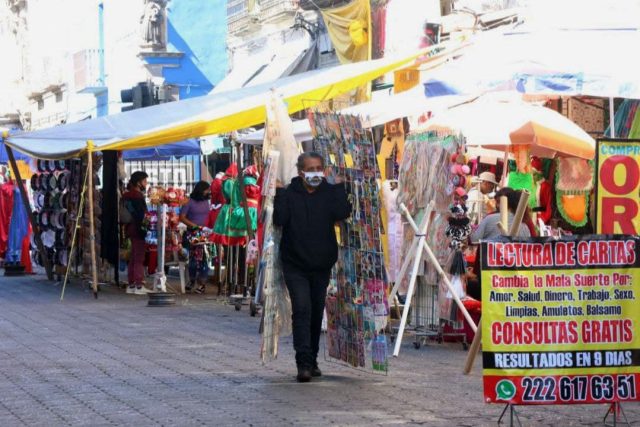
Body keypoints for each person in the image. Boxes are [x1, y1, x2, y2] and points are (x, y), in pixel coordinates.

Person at [273, 152, 351, 383]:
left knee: (317, 311)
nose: (316, 172)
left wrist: (338, 188)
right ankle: (303, 363)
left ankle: (313, 359)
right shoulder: (289, 193)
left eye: (319, 167)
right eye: (311, 168)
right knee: (302, 309)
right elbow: (279, 219)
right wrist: (278, 194)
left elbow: (342, 213)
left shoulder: (328, 192)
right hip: (295, 263)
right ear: (301, 172)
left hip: (321, 263)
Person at [180, 181, 212, 293]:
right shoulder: (189, 201)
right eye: (207, 190)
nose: (209, 192)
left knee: (205, 259)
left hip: (206, 234)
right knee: (193, 259)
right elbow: (182, 217)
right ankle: (192, 280)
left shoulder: (207, 201)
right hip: (193, 233)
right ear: (201, 190)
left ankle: (202, 283)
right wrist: (194, 226)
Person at [123, 171, 150, 295]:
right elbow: (141, 215)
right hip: (138, 229)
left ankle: (131, 284)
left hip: (129, 228)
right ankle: (139, 285)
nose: (146, 183)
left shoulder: (126, 195)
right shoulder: (137, 196)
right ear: (139, 183)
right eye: (144, 181)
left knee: (133, 258)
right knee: (139, 257)